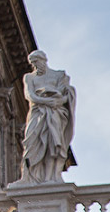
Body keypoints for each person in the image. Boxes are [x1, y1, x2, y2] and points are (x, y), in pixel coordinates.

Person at [20, 50, 76, 184]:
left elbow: (66, 95)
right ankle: (29, 177)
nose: (34, 66)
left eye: (36, 62)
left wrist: (58, 101)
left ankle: (50, 177)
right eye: (32, 64)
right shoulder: (30, 77)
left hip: (55, 113)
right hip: (38, 112)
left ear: (43, 60)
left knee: (52, 143)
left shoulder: (59, 75)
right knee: (32, 142)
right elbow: (30, 96)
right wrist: (46, 101)